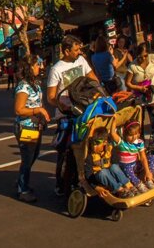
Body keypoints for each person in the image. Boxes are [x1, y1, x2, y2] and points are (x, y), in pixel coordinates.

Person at [46, 35, 96, 197]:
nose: (79, 51)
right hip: (66, 115)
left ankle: (83, 178)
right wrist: (63, 106)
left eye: (79, 48)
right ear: (67, 51)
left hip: (85, 110)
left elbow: (92, 78)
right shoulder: (56, 69)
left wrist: (98, 92)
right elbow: (51, 96)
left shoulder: (81, 61)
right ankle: (62, 183)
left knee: (86, 147)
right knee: (66, 151)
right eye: (76, 49)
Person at [13, 54, 50, 202]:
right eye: (37, 64)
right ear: (30, 68)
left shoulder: (35, 83)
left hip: (35, 125)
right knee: (28, 158)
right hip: (26, 127)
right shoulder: (23, 87)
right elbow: (19, 110)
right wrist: (38, 111)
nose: (39, 67)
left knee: (33, 156)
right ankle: (23, 189)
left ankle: (22, 182)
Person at [86, 126, 136, 198]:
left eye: (97, 143)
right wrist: (97, 187)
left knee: (114, 166)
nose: (94, 146)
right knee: (103, 172)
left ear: (105, 142)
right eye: (93, 143)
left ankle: (128, 185)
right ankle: (120, 190)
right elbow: (88, 174)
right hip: (100, 178)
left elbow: (116, 163)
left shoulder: (110, 149)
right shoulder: (90, 156)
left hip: (111, 174)